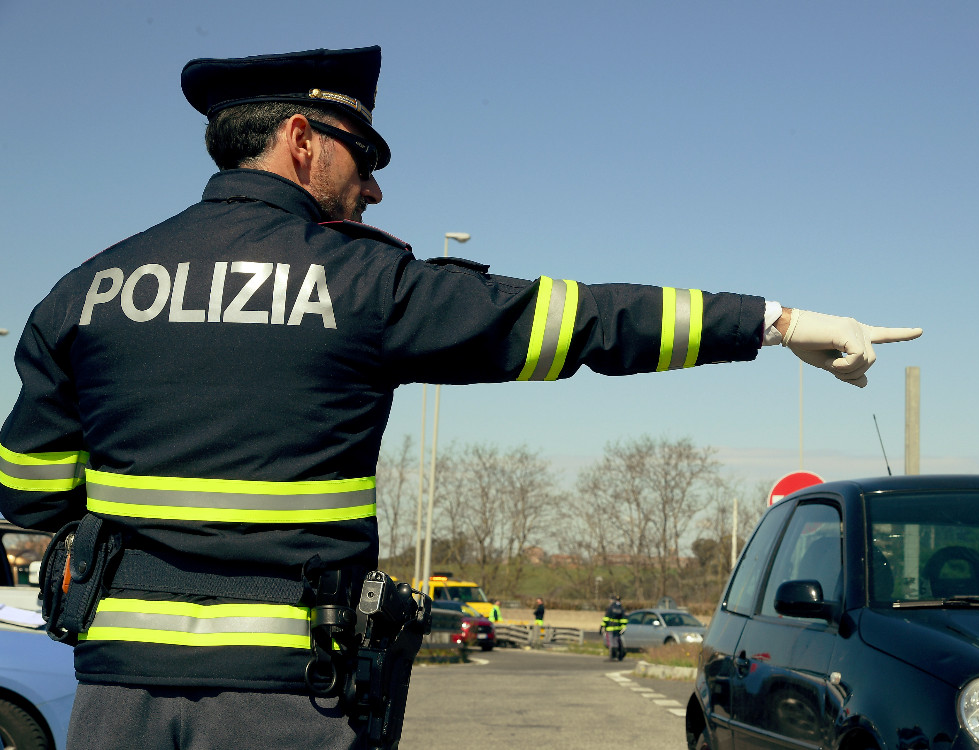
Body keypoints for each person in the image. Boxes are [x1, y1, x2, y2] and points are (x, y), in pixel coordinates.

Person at [0, 45, 920, 750]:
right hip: (282, 698)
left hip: (114, 698)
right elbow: (584, 322)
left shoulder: (87, 288)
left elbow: (27, 494)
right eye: (360, 154)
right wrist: (776, 320)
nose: (373, 183)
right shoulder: (361, 284)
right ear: (300, 140)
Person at [602, 595, 628, 661]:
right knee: (616, 642)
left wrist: (603, 626)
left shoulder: (610, 608)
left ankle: (612, 657)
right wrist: (623, 627)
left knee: (611, 642)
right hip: (617, 628)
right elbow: (624, 619)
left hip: (610, 628)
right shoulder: (621, 608)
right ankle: (616, 656)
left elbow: (606, 618)